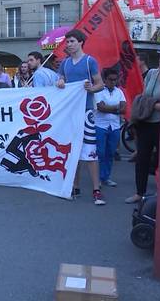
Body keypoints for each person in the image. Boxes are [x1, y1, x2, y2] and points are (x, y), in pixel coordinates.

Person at [56, 29, 106, 205]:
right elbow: (59, 81)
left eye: (71, 41)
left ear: (80, 42)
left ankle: (96, 190)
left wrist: (91, 89)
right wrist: (60, 82)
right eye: (67, 42)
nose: (68, 45)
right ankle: (75, 186)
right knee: (72, 152)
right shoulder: (65, 63)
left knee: (90, 152)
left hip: (86, 112)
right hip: (70, 112)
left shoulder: (89, 61)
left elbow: (100, 84)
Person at [126, 56, 160, 204]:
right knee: (142, 159)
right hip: (146, 122)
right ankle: (139, 193)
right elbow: (145, 97)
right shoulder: (153, 73)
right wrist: (154, 104)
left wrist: (151, 103)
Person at [94, 68, 126, 188]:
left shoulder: (119, 92)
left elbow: (124, 109)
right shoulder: (99, 91)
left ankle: (105, 177)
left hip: (114, 127)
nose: (113, 81)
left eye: (115, 79)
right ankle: (97, 178)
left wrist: (110, 108)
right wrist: (116, 108)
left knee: (110, 153)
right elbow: (100, 107)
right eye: (110, 79)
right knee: (100, 153)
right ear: (105, 80)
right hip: (100, 126)